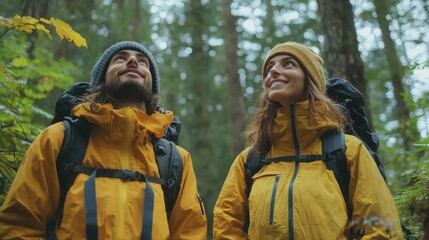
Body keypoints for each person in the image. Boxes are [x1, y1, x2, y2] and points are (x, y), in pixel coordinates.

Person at [0, 41, 207, 239]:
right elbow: (19, 226)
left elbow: (190, 233)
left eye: (142, 61)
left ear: (152, 87)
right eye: (120, 59)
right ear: (100, 81)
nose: (133, 62)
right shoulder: (58, 139)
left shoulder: (176, 160)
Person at [213, 42, 403, 239]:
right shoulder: (250, 160)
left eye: (288, 64)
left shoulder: (348, 150)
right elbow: (226, 224)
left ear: (310, 79)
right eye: (269, 68)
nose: (274, 71)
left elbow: (382, 226)